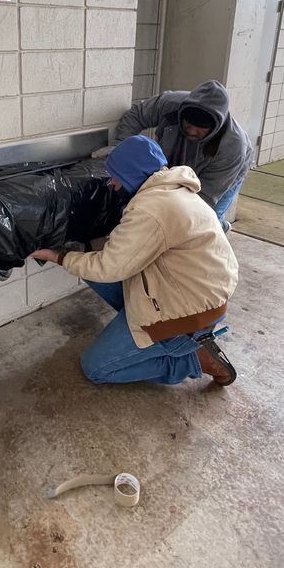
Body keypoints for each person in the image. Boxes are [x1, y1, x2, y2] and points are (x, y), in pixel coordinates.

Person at [31, 136, 239, 387]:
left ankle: (193, 358)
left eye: (116, 177)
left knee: (95, 368)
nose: (113, 183)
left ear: (131, 174)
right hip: (196, 292)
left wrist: (57, 256)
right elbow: (125, 250)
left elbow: (109, 267)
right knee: (89, 266)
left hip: (190, 313)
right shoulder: (173, 190)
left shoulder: (150, 209)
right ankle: (158, 334)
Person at [94, 80, 254, 224]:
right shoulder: (170, 104)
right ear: (182, 114)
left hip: (223, 175)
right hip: (178, 161)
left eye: (200, 128)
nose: (191, 130)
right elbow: (137, 114)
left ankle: (219, 231)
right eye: (188, 123)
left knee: (205, 220)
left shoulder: (232, 147)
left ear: (214, 127)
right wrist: (121, 146)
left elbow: (204, 198)